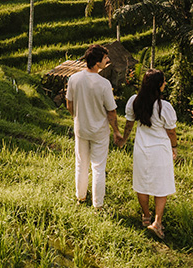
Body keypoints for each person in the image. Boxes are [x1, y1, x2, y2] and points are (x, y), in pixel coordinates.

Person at [120, 69, 177, 239]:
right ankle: (157, 222)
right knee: (161, 185)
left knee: (142, 182)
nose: (165, 83)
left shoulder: (134, 101)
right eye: (164, 81)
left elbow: (129, 124)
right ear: (159, 85)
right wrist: (174, 147)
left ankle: (146, 216)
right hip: (160, 150)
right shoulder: (164, 106)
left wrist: (124, 139)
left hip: (141, 149)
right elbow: (171, 132)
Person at [66, 44, 122, 209]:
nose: (108, 60)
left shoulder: (74, 79)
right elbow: (111, 112)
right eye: (105, 58)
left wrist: (76, 117)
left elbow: (69, 104)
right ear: (97, 62)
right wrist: (117, 132)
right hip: (99, 132)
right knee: (98, 167)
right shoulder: (104, 84)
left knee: (81, 164)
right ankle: (98, 205)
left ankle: (81, 197)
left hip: (81, 129)